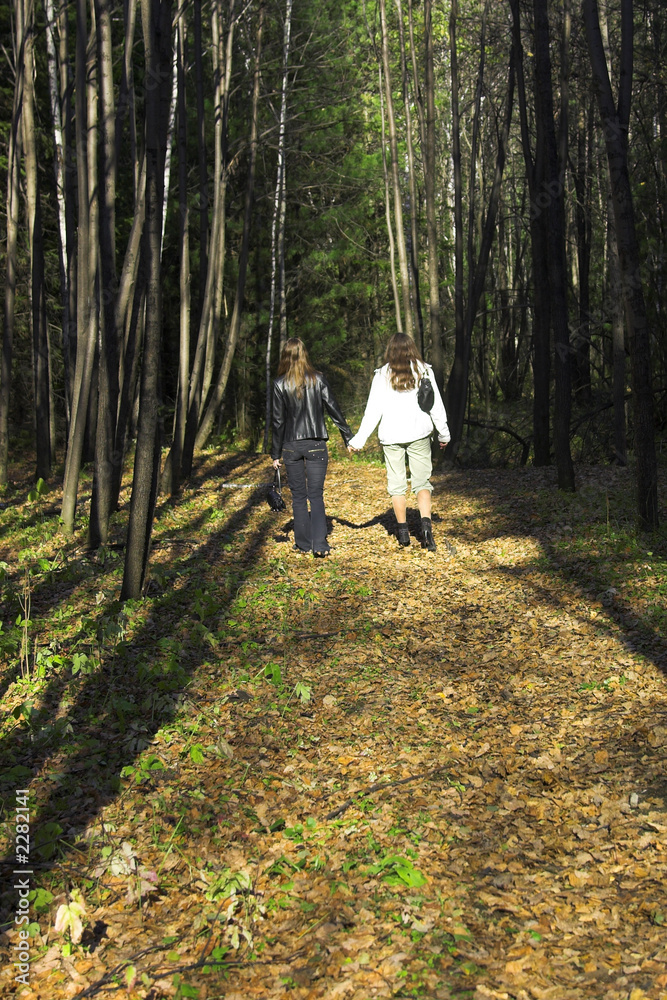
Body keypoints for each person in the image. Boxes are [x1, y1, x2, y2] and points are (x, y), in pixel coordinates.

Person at [348, 331, 450, 551]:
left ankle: (403, 533)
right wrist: (444, 433)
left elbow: (372, 412)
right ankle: (426, 530)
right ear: (411, 348)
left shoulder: (382, 375)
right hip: (419, 434)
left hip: (392, 437)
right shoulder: (424, 371)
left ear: (390, 351)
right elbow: (435, 405)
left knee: (397, 485)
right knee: (422, 483)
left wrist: (359, 440)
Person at [271, 338, 352, 556]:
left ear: (285, 356)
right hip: (316, 443)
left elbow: (278, 422)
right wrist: (348, 437)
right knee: (315, 495)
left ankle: (303, 544)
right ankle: (321, 545)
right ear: (305, 354)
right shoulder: (319, 379)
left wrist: (275, 454)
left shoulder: (279, 384)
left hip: (291, 446)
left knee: (298, 496)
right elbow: (334, 409)